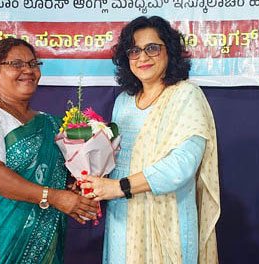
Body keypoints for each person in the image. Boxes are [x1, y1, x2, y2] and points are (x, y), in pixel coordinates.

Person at [81, 16, 220, 264]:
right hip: (122, 218)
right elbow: (114, 158)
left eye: (152, 48)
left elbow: (182, 166)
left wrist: (119, 187)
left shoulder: (186, 95)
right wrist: (90, 179)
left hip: (168, 218)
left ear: (170, 51)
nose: (142, 57)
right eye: (134, 50)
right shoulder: (124, 100)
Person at [0, 38, 98, 264]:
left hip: (45, 241)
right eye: (17, 64)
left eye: (33, 64)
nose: (28, 71)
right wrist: (55, 197)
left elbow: (61, 173)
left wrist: (75, 189)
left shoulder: (49, 123)